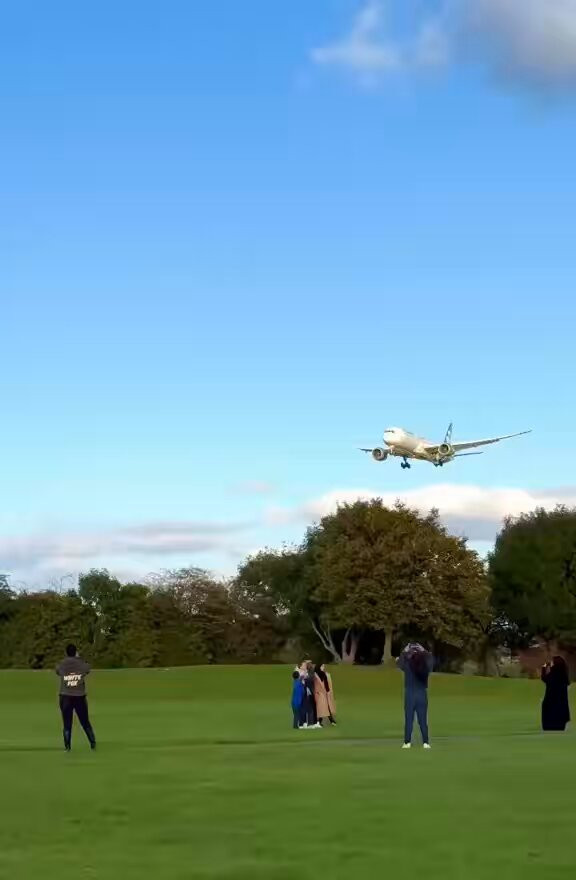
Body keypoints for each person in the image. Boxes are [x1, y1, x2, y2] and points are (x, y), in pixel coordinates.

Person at [56, 643, 96, 751]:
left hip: (65, 696)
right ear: (76, 652)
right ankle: (93, 744)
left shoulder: (62, 664)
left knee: (67, 724)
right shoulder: (81, 663)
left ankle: (67, 747)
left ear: (66, 653)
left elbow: (58, 671)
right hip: (79, 696)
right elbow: (88, 669)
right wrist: (78, 659)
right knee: (85, 722)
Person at [396, 642, 434, 749]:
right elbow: (430, 660)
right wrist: (423, 650)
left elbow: (399, 662)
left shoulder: (407, 666)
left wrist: (405, 650)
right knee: (423, 720)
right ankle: (426, 742)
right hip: (422, 694)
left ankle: (407, 742)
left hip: (410, 694)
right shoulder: (425, 667)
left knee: (409, 720)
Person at [541, 655, 571, 731]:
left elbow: (544, 678)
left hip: (550, 706)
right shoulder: (564, 677)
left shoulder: (552, 676)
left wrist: (544, 667)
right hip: (561, 708)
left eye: (552, 662)